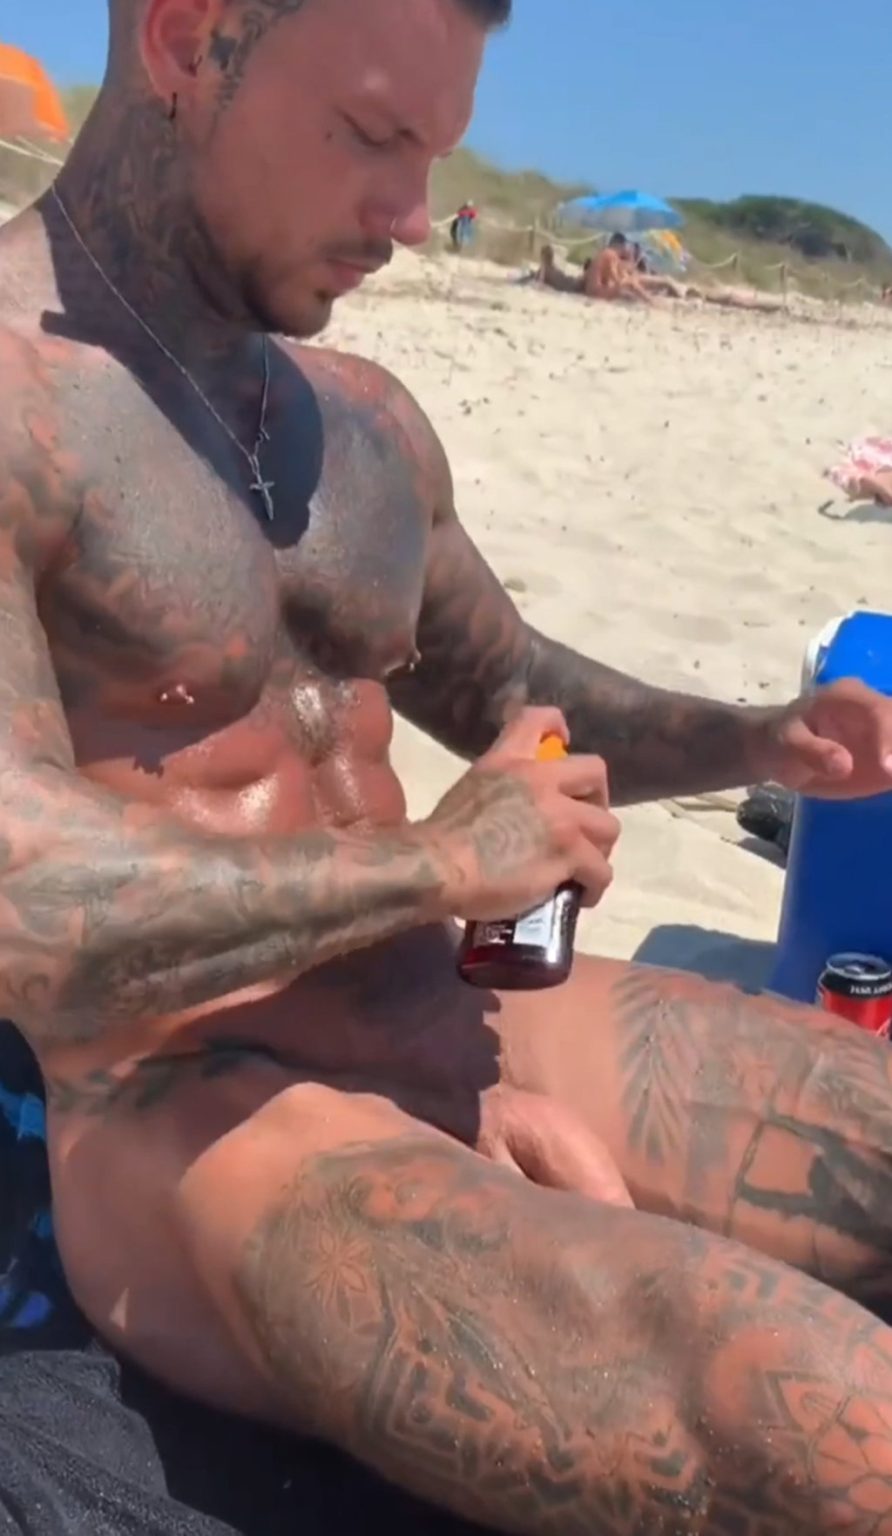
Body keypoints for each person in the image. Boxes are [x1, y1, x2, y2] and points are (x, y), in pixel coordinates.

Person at [3, 0, 892, 1530]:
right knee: (828, 1428)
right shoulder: (18, 403)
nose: (416, 216)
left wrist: (761, 739)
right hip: (211, 1105)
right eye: (373, 136)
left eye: (437, 153)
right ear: (185, 40)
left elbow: (515, 683)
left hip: (465, 1005)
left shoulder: (358, 423)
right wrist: (442, 863)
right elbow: (23, 900)